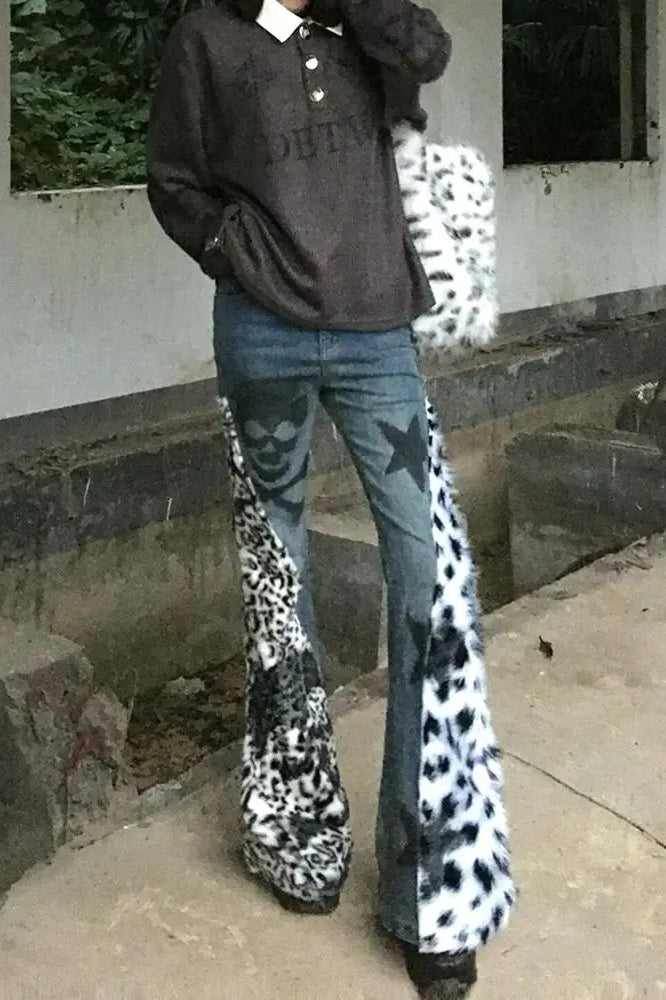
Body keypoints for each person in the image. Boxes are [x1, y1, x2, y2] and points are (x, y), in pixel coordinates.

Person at [145, 1, 480, 995]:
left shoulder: (364, 32)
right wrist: (234, 248)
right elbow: (172, 181)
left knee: (431, 582)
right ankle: (297, 834)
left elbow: (429, 53)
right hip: (263, 335)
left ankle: (428, 892)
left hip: (379, 338)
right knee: (277, 585)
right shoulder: (208, 38)